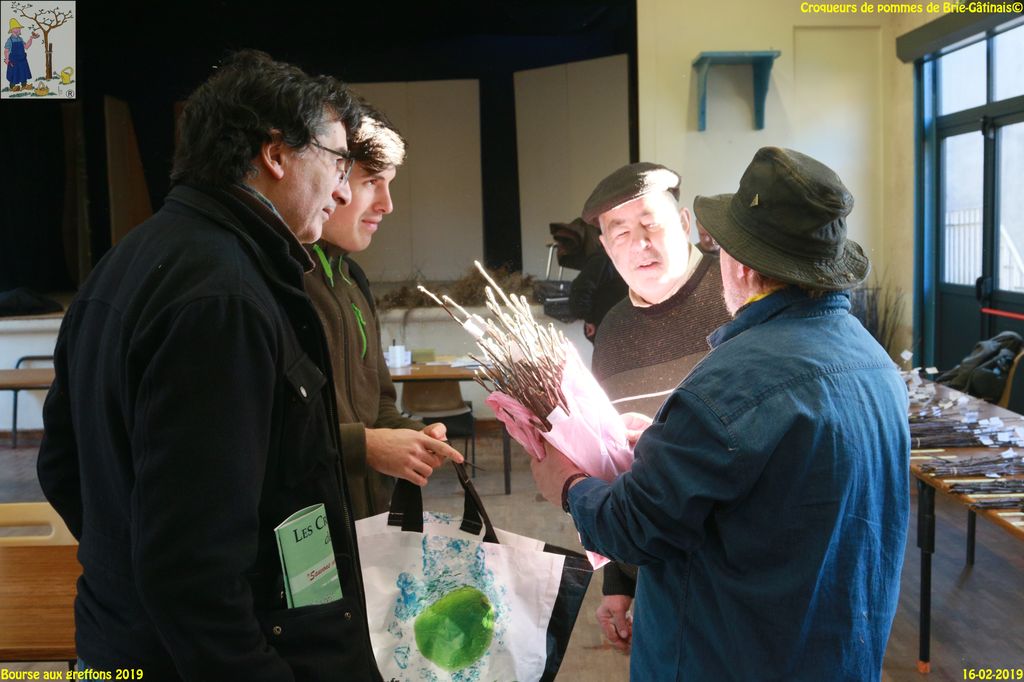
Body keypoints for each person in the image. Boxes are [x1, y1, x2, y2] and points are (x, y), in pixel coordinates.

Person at [37, 50, 383, 681]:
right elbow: (193, 566)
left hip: (122, 639)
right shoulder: (225, 298)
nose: (342, 190)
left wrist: (125, 561)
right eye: (338, 163)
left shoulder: (130, 258)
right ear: (275, 154)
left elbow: (62, 464)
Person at [532, 146, 910, 680]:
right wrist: (670, 447)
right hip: (834, 655)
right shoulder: (873, 362)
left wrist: (568, 485)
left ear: (741, 264)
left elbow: (634, 527)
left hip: (731, 659)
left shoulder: (731, 382)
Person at [580, 162, 732, 651]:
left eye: (652, 224)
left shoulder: (735, 297)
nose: (640, 244)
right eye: (621, 233)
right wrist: (618, 583)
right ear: (606, 247)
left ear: (684, 223)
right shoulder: (612, 331)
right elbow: (615, 467)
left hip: (735, 577)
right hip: (654, 575)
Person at [305, 102, 462, 519]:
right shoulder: (284, 283)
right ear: (330, 177)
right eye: (372, 182)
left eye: (389, 184)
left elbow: (380, 408)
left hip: (369, 517)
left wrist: (414, 435)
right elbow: (270, 435)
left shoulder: (353, 281)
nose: (387, 204)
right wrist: (367, 447)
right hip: (314, 520)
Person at [4, 19, 37, 91]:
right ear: (12, 30)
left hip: (22, 60)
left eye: (19, 28)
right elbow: (6, 50)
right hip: (14, 61)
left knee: (23, 72)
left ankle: (24, 85)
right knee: (14, 73)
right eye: (17, 28)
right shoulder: (10, 40)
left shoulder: (20, 39)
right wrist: (7, 59)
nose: (19, 29)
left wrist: (31, 38)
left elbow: (26, 46)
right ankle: (12, 87)